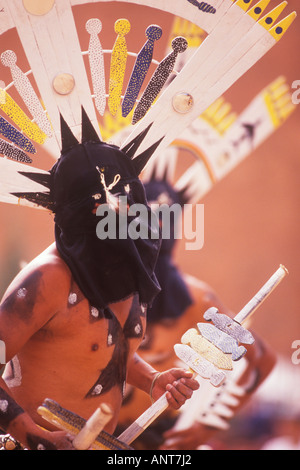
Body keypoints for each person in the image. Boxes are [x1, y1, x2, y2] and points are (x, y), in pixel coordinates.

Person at [0, 109, 199, 450]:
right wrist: (33, 436)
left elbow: (107, 353)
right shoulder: (47, 280)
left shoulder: (129, 271)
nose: (116, 216)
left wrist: (154, 381)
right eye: (100, 207)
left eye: (124, 203)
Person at [117, 161, 277, 450]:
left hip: (163, 442)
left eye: (166, 218)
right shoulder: (98, 291)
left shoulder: (196, 299)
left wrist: (207, 426)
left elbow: (262, 361)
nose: (155, 230)